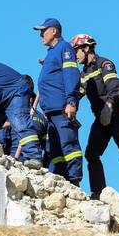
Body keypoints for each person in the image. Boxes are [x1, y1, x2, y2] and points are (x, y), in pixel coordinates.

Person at [70, 33, 119, 200]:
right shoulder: (84, 73)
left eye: (76, 51)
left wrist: (109, 106)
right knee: (91, 153)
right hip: (101, 118)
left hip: (117, 114)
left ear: (86, 48)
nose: (74, 55)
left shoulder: (104, 64)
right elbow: (79, 93)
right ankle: (98, 193)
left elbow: (115, 87)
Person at [33, 18, 82, 185]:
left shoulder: (64, 47)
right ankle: (61, 182)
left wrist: (71, 102)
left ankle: (75, 181)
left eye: (43, 31)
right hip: (50, 111)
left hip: (62, 108)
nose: (41, 35)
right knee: (54, 151)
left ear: (53, 31)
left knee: (69, 145)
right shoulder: (52, 51)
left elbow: (71, 75)